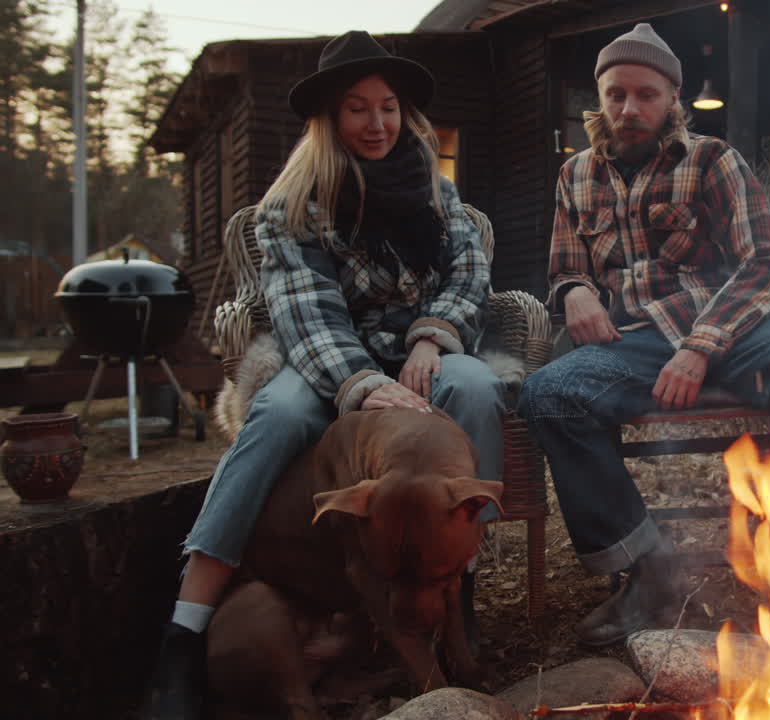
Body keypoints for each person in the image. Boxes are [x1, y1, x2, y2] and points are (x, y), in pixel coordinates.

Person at [141, 31, 504, 718]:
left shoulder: (437, 189)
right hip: (322, 360)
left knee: (476, 387)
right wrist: (363, 385)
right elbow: (307, 315)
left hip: (420, 352)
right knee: (275, 416)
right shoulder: (293, 205)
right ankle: (183, 636)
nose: (376, 123)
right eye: (358, 108)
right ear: (331, 119)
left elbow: (469, 278)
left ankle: (458, 589)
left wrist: (432, 338)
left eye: (388, 107)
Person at [517, 23, 770, 647]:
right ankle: (650, 571)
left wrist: (702, 345)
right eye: (616, 93)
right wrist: (575, 292)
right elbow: (566, 266)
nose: (629, 108)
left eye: (646, 94)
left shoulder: (712, 159)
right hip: (635, 342)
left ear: (671, 99)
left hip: (732, 325)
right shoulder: (576, 175)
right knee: (548, 394)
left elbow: (765, 264)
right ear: (600, 97)